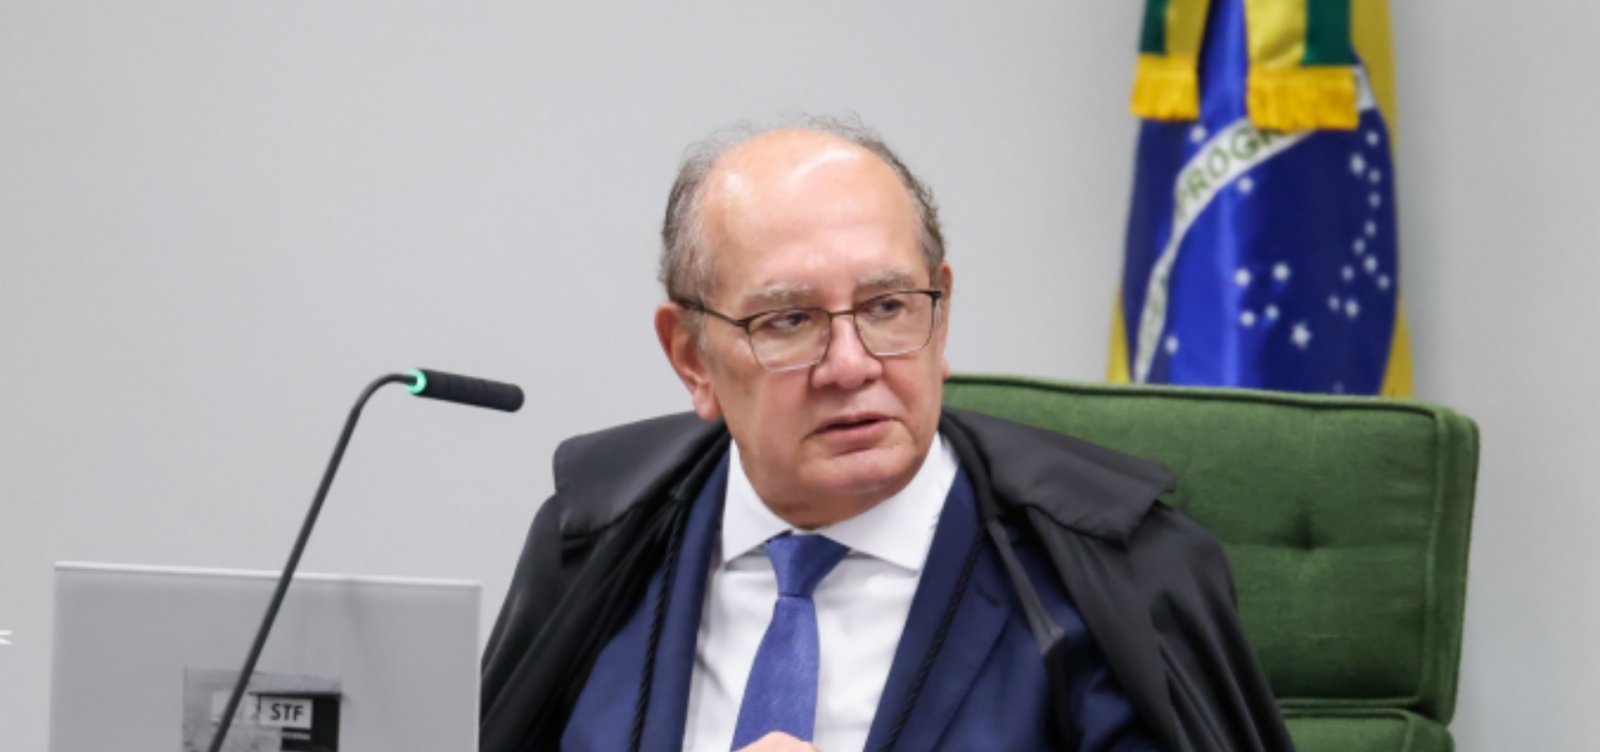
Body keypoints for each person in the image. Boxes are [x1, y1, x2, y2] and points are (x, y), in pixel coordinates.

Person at [479, 116, 1295, 752]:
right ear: (691, 358)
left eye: (888, 307)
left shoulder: (1115, 573)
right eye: (789, 320)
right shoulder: (595, 541)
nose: (850, 364)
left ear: (942, 315)